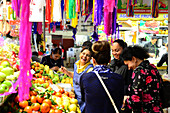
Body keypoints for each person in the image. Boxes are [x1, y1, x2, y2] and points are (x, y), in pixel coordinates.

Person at [80, 41, 124, 113]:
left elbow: (84, 99)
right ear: (109, 59)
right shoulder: (119, 79)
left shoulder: (85, 78)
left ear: (93, 60)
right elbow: (120, 101)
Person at [121, 45, 163, 113]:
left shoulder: (139, 71)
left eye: (127, 64)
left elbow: (136, 98)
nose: (128, 68)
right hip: (157, 109)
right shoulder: (152, 67)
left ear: (134, 59)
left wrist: (126, 101)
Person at [59, 45, 93, 112]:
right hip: (75, 96)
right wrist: (67, 72)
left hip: (83, 99)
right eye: (83, 54)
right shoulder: (76, 64)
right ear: (80, 54)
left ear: (90, 58)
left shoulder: (90, 70)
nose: (84, 56)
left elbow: (88, 88)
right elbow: (76, 76)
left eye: (88, 55)